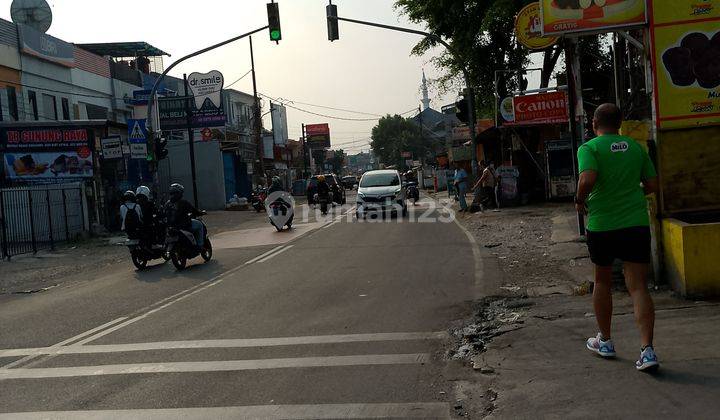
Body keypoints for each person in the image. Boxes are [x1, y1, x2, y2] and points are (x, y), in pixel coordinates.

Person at [576, 103, 659, 372]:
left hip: (602, 226)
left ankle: (606, 341)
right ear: (620, 123)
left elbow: (587, 178)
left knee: (602, 281)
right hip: (635, 224)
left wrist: (579, 199)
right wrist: (633, 194)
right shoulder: (634, 147)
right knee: (638, 286)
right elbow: (653, 185)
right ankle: (647, 351)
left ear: (593, 124)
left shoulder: (589, 149)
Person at [166, 183, 205, 249]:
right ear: (179, 193)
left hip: (172, 226)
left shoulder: (167, 204)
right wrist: (201, 213)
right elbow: (194, 211)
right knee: (200, 225)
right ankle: (200, 245)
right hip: (184, 225)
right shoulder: (184, 202)